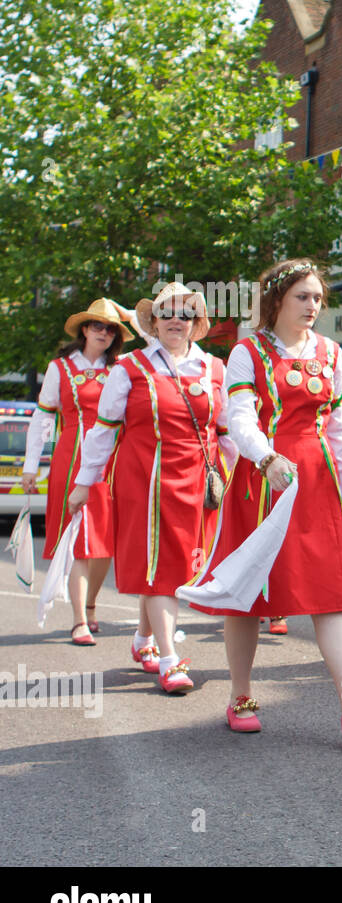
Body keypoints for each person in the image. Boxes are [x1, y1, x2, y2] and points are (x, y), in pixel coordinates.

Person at [190, 259, 342, 738]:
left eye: (318, 298)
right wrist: (266, 458)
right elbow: (239, 419)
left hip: (318, 482)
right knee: (249, 593)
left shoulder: (332, 353)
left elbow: (338, 427)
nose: (313, 306)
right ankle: (240, 695)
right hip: (262, 482)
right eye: (303, 296)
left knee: (331, 594)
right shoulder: (248, 352)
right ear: (277, 299)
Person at [68, 284, 233, 689]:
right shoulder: (129, 368)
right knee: (160, 566)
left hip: (200, 481)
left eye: (186, 314)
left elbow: (227, 431)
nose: (177, 320)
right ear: (154, 322)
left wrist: (255, 469)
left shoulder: (215, 368)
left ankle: (144, 639)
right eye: (168, 313)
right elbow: (103, 431)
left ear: (196, 324)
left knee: (175, 564)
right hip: (145, 480)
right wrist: (83, 483)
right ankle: (170, 660)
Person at [22, 299, 132, 648]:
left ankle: (91, 602)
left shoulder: (124, 367)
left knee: (105, 544)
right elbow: (42, 418)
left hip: (113, 463)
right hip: (71, 459)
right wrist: (29, 465)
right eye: (97, 325)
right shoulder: (60, 368)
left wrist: (130, 315)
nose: (104, 332)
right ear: (84, 329)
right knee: (79, 542)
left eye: (111, 327)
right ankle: (79, 620)